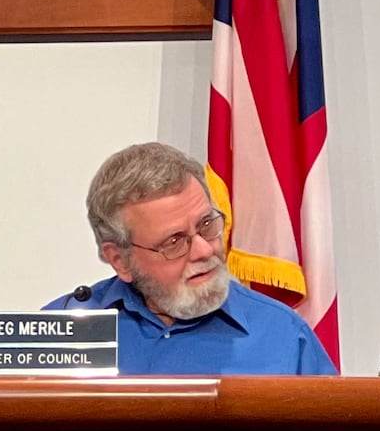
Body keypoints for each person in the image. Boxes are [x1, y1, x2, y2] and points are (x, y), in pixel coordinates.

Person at [50, 142, 336, 375]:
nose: (204, 250)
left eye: (207, 225)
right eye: (173, 242)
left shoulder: (282, 335)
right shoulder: (59, 333)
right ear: (120, 260)